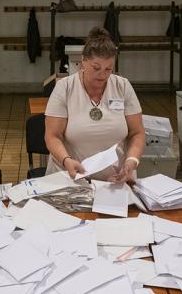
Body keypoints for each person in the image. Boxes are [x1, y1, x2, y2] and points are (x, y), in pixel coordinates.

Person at [44, 26, 145, 182]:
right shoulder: (65, 88)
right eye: (96, 68)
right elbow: (52, 136)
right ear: (83, 61)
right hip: (70, 178)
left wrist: (132, 160)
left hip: (114, 181)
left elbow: (137, 133)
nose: (102, 74)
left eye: (108, 69)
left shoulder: (122, 86)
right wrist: (66, 160)